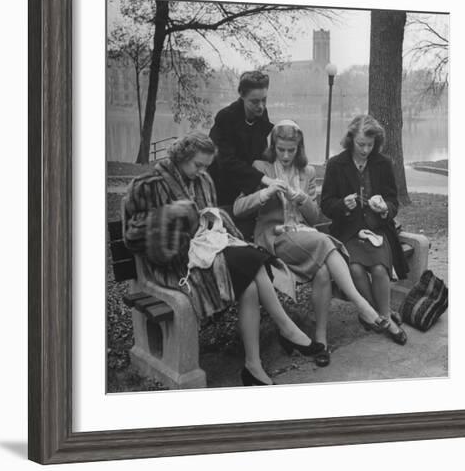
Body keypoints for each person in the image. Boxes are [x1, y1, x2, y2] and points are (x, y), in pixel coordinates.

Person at [123, 132, 324, 387]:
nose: (202, 171)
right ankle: (286, 327)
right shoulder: (149, 185)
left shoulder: (204, 180)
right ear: (182, 157)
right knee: (252, 259)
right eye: (198, 164)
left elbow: (210, 218)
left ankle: (253, 365)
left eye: (206, 166)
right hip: (175, 265)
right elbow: (132, 236)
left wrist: (211, 221)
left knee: (250, 284)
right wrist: (171, 214)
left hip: (207, 252)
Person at [233, 120, 387, 367]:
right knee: (324, 242)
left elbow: (315, 217)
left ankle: (320, 339)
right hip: (274, 237)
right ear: (273, 146)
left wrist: (303, 199)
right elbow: (239, 208)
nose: (285, 155)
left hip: (304, 238)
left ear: (299, 148)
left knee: (324, 271)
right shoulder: (261, 168)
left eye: (290, 150)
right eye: (280, 149)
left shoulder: (307, 173)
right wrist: (266, 192)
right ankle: (362, 304)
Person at [320, 114, 408, 345]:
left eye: (370, 145)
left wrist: (384, 208)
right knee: (356, 270)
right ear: (351, 139)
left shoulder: (383, 163)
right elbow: (326, 204)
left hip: (377, 229)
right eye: (361, 144)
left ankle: (384, 317)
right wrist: (342, 205)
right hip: (347, 231)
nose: (365, 150)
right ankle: (379, 316)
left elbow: (393, 201)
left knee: (379, 269)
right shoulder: (336, 164)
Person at [208, 71, 284, 238]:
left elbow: (262, 150)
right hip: (223, 188)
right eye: (254, 101)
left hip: (248, 188)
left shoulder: (261, 113)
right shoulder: (226, 117)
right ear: (242, 96)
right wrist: (263, 179)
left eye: (264, 100)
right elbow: (227, 162)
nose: (261, 106)